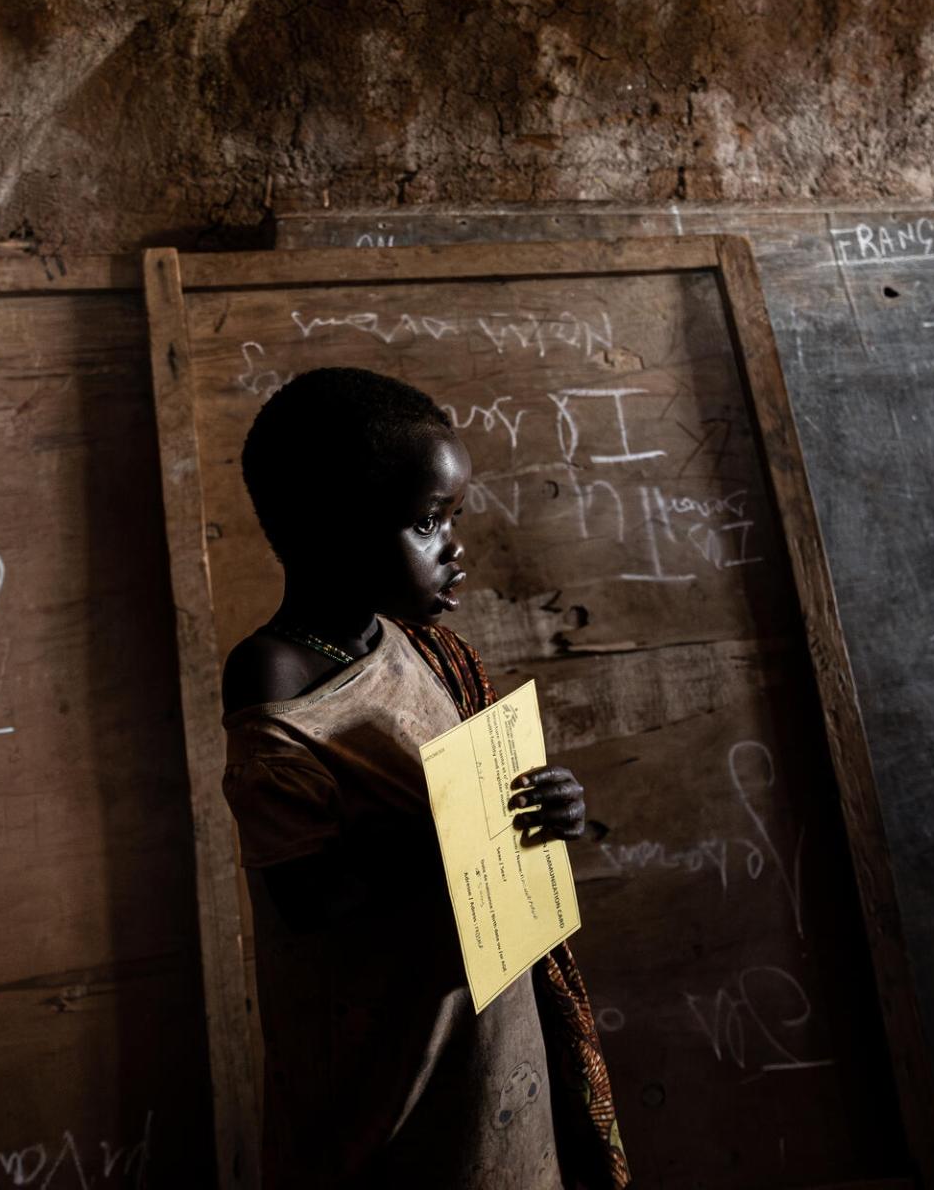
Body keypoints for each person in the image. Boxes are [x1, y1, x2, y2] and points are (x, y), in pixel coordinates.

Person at [221, 366, 629, 1189]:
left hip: (488, 1042)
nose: (454, 545)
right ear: (332, 529)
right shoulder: (273, 672)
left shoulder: (425, 650)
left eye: (453, 517)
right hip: (388, 1065)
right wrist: (457, 828)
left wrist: (546, 809)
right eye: (426, 521)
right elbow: (303, 895)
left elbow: (480, 816)